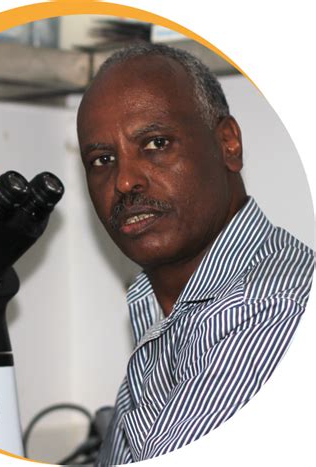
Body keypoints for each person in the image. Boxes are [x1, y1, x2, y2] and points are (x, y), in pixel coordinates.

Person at [76, 43, 314, 464]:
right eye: (102, 159)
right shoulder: (170, 310)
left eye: (156, 143)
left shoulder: (268, 309)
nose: (125, 181)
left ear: (228, 144)